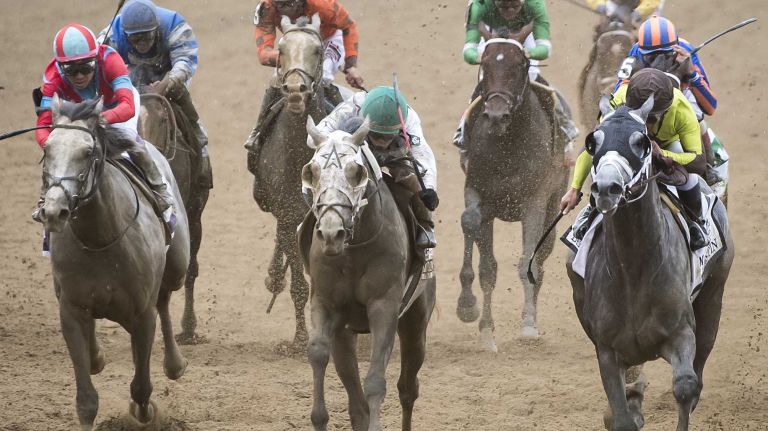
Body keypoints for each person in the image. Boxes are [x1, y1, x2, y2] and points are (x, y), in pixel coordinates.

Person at [33, 23, 174, 220]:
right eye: (71, 71)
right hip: (77, 114)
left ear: (95, 58)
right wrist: (50, 145)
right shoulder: (52, 76)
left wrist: (98, 120)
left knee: (131, 143)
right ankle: (45, 201)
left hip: (114, 107)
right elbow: (43, 124)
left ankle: (160, 192)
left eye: (85, 67)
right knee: (58, 153)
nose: (80, 76)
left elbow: (128, 107)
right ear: (60, 66)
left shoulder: (110, 60)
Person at [561, 68, 708, 250]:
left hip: (666, 146)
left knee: (690, 178)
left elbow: (699, 162)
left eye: (651, 119)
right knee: (608, 165)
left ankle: (696, 223)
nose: (645, 124)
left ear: (667, 109)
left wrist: (663, 155)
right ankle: (590, 212)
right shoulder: (619, 98)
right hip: (628, 141)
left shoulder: (682, 110)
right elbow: (594, 145)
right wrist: (574, 189)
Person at [308, 86, 438, 248]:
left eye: (387, 136)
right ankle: (316, 215)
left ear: (400, 126)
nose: (381, 142)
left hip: (395, 152)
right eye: (377, 135)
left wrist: (429, 189)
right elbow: (315, 137)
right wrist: (339, 145)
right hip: (359, 145)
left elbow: (423, 154)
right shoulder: (353, 105)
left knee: (415, 181)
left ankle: (425, 225)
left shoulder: (410, 119)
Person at [99, 0, 212, 188]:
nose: (142, 43)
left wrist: (170, 81)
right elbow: (99, 66)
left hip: (166, 80)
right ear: (126, 35)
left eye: (147, 36)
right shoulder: (111, 34)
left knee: (183, 100)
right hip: (128, 80)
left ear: (157, 29)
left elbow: (186, 60)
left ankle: (200, 145)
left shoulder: (175, 25)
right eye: (135, 39)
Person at [454, 0, 578, 165]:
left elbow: (545, 49)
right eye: (504, 6)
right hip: (492, 36)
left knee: (532, 76)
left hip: (525, 37)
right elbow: (469, 49)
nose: (510, 11)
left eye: (515, 6)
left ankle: (565, 132)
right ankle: (463, 136)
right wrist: (479, 57)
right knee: (488, 81)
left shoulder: (536, 5)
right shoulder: (478, 5)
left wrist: (528, 52)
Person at [615, 16, 722, 182]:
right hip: (645, 99)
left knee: (697, 115)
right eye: (652, 57)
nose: (658, 60)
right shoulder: (636, 53)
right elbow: (619, 92)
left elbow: (711, 107)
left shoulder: (687, 52)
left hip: (680, 94)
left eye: (665, 55)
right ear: (642, 51)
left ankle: (709, 168)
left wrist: (692, 74)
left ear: (676, 48)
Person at [586, 0, 664, 25]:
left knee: (655, 28)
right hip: (614, 4)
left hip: (640, 7)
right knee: (605, 24)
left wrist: (637, 14)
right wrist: (600, 6)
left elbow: (652, 2)